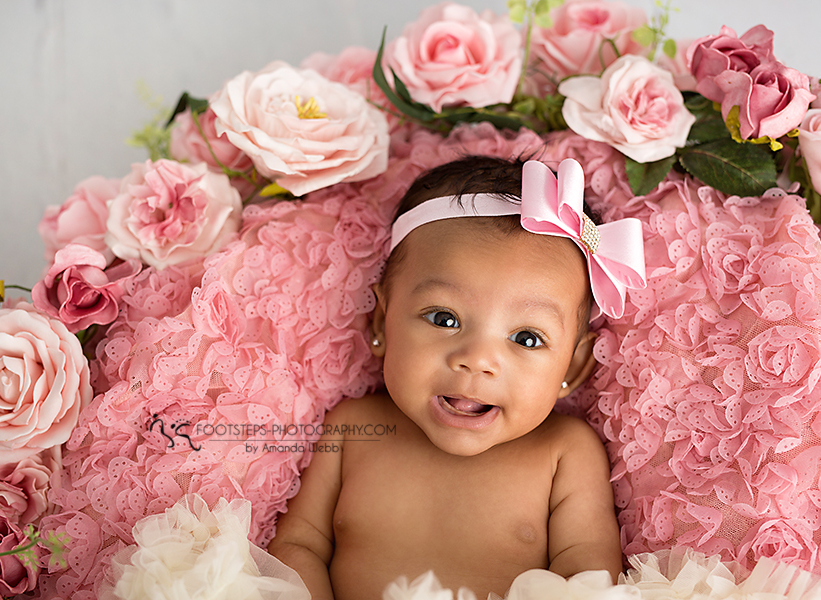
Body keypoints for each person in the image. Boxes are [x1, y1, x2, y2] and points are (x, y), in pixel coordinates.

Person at [268, 155, 647, 600]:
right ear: (380, 324)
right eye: (444, 318)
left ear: (573, 368)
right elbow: (298, 545)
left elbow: (586, 576)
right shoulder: (352, 431)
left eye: (526, 338)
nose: (477, 360)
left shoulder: (564, 453)